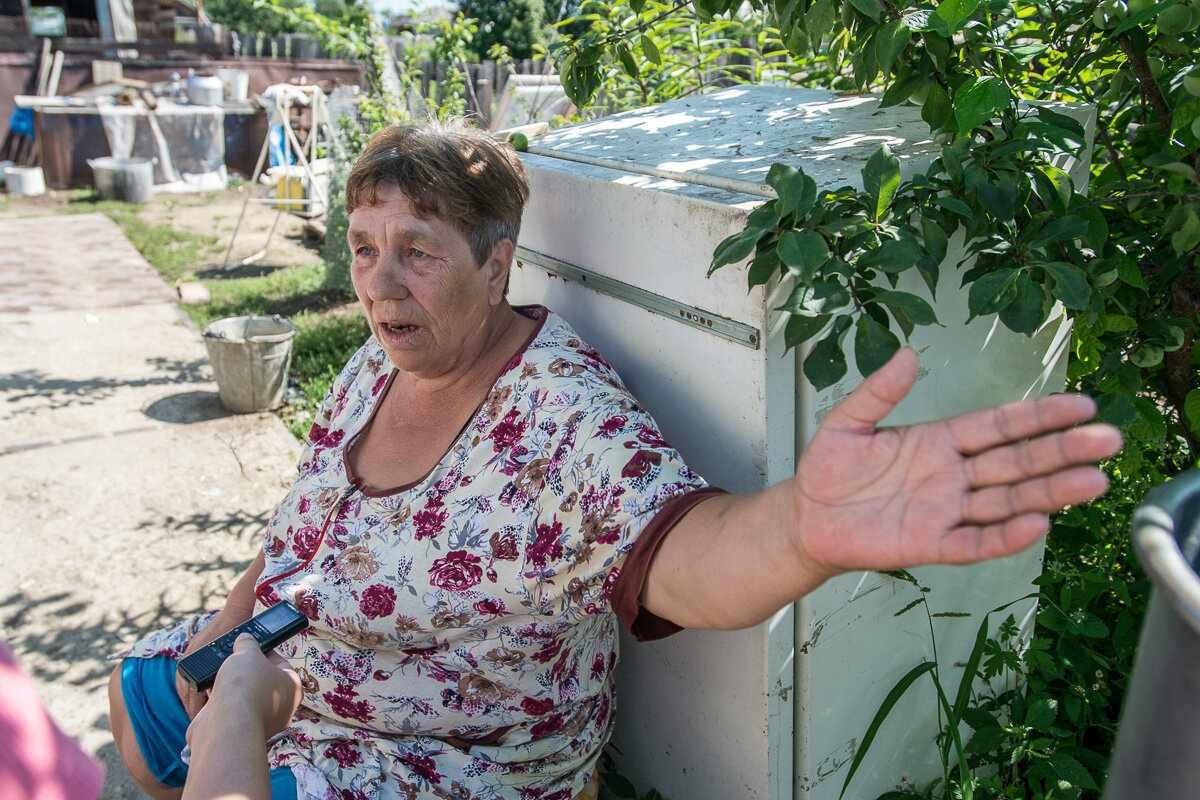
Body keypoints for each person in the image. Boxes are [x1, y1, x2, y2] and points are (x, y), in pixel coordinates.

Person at [108, 120, 1124, 800]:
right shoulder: (372, 372)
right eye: (365, 246)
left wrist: (801, 530)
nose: (380, 283)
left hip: (447, 758)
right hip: (300, 672)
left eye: (417, 249)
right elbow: (298, 535)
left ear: (497, 264)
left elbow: (688, 551)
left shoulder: (560, 414)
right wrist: (225, 637)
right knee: (134, 697)